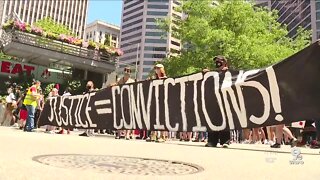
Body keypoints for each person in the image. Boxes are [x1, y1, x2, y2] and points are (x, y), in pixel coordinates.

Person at [205, 55, 232, 148]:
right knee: (213, 120)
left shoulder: (231, 73)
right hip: (214, 100)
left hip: (225, 100)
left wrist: (226, 71)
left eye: (219, 61)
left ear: (224, 62)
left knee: (224, 120)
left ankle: (225, 141)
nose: (217, 62)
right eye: (216, 61)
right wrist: (205, 74)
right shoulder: (213, 74)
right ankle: (212, 141)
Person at [146, 64, 167, 143]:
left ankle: (162, 135)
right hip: (155, 100)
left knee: (161, 118)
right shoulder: (154, 79)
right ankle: (153, 135)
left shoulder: (165, 79)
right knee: (153, 117)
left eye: (158, 68)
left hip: (163, 100)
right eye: (156, 68)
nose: (156, 70)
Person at [114, 67, 135, 139]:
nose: (126, 72)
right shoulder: (119, 80)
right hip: (120, 100)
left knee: (128, 117)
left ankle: (127, 134)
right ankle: (119, 133)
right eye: (125, 70)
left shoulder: (132, 81)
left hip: (129, 101)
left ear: (130, 73)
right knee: (119, 117)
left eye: (128, 71)